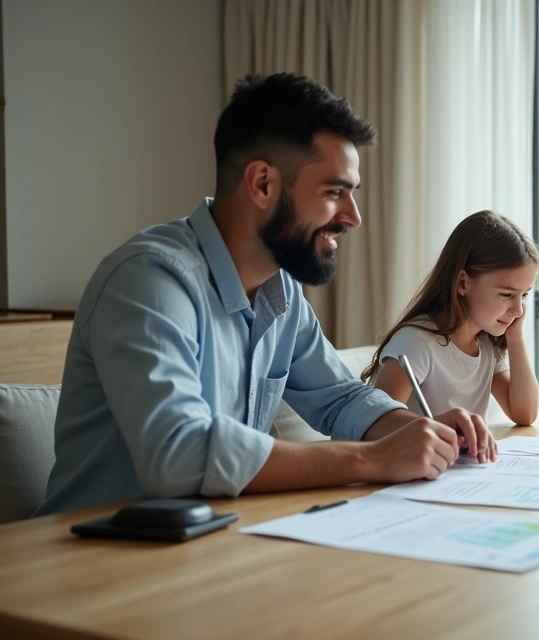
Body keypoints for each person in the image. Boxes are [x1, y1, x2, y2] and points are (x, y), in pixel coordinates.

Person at [37, 73, 492, 516]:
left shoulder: (282, 294)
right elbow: (177, 454)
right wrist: (373, 459)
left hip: (208, 548)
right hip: (93, 561)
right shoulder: (150, 281)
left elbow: (342, 399)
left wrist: (421, 431)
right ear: (262, 184)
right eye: (335, 192)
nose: (353, 217)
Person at [362, 210, 539, 434]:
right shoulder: (417, 343)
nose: (518, 310)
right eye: (506, 295)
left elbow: (525, 413)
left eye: (523, 295)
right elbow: (377, 426)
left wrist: (516, 337)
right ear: (463, 283)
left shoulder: (486, 343)